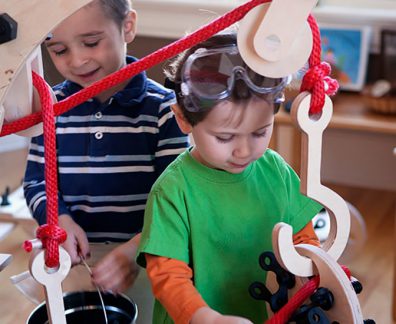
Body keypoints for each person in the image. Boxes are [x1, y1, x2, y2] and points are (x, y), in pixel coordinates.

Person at [136, 30, 322, 324]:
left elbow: (303, 239)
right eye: (225, 137)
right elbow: (167, 274)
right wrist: (204, 318)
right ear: (183, 119)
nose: (244, 150)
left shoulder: (277, 171)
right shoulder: (173, 190)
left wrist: (316, 272)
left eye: (260, 132)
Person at [23, 0, 189, 316]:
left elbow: (178, 200)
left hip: (151, 258)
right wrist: (58, 220)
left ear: (127, 26)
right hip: (74, 264)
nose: (78, 60)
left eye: (90, 42)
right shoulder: (50, 108)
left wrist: (135, 251)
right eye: (59, 50)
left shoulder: (164, 110)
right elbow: (35, 181)